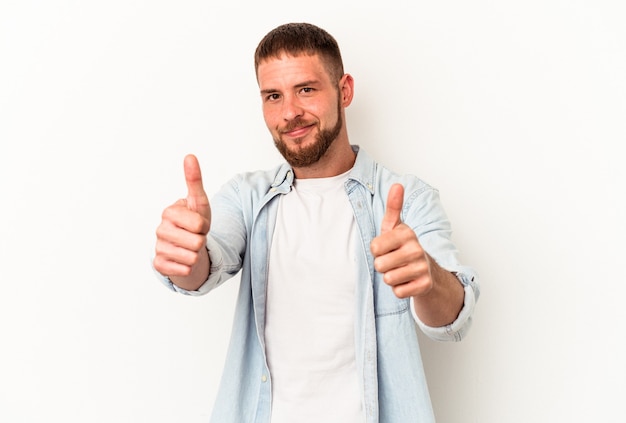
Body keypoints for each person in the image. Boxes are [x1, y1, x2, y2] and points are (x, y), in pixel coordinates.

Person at [152, 22, 480, 423]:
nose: (290, 112)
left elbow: (453, 319)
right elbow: (205, 263)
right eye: (273, 96)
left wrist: (425, 275)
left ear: (344, 91)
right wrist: (186, 256)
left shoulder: (406, 198)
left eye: (306, 89)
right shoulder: (245, 197)